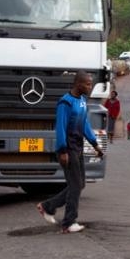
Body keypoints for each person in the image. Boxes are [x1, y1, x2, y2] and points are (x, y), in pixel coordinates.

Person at [36, 71, 104, 233]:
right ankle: (68, 222)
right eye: (87, 84)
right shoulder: (65, 103)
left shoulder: (81, 101)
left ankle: (47, 206)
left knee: (80, 184)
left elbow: (85, 124)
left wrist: (95, 144)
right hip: (68, 148)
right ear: (78, 84)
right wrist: (62, 151)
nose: (90, 87)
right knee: (75, 186)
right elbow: (60, 127)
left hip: (78, 147)